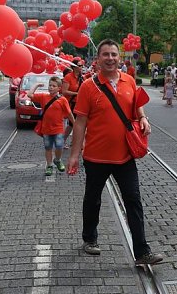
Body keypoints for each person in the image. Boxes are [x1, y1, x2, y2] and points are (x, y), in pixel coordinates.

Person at [67, 39, 163, 265]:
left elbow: (136, 104)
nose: (110, 58)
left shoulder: (129, 80)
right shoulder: (88, 86)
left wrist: (143, 118)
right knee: (93, 200)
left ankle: (142, 252)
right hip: (96, 156)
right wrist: (74, 155)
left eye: (113, 54)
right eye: (105, 55)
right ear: (97, 59)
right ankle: (89, 238)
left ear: (119, 58)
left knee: (133, 200)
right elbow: (80, 122)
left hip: (125, 155)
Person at [30, 76, 74, 176]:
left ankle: (57, 160)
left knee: (59, 146)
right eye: (50, 85)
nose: (51, 87)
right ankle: (49, 165)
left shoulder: (62, 100)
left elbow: (69, 113)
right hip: (46, 129)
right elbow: (30, 95)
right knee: (48, 148)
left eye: (54, 86)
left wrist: (75, 124)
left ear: (59, 88)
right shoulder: (43, 96)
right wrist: (36, 85)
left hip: (58, 128)